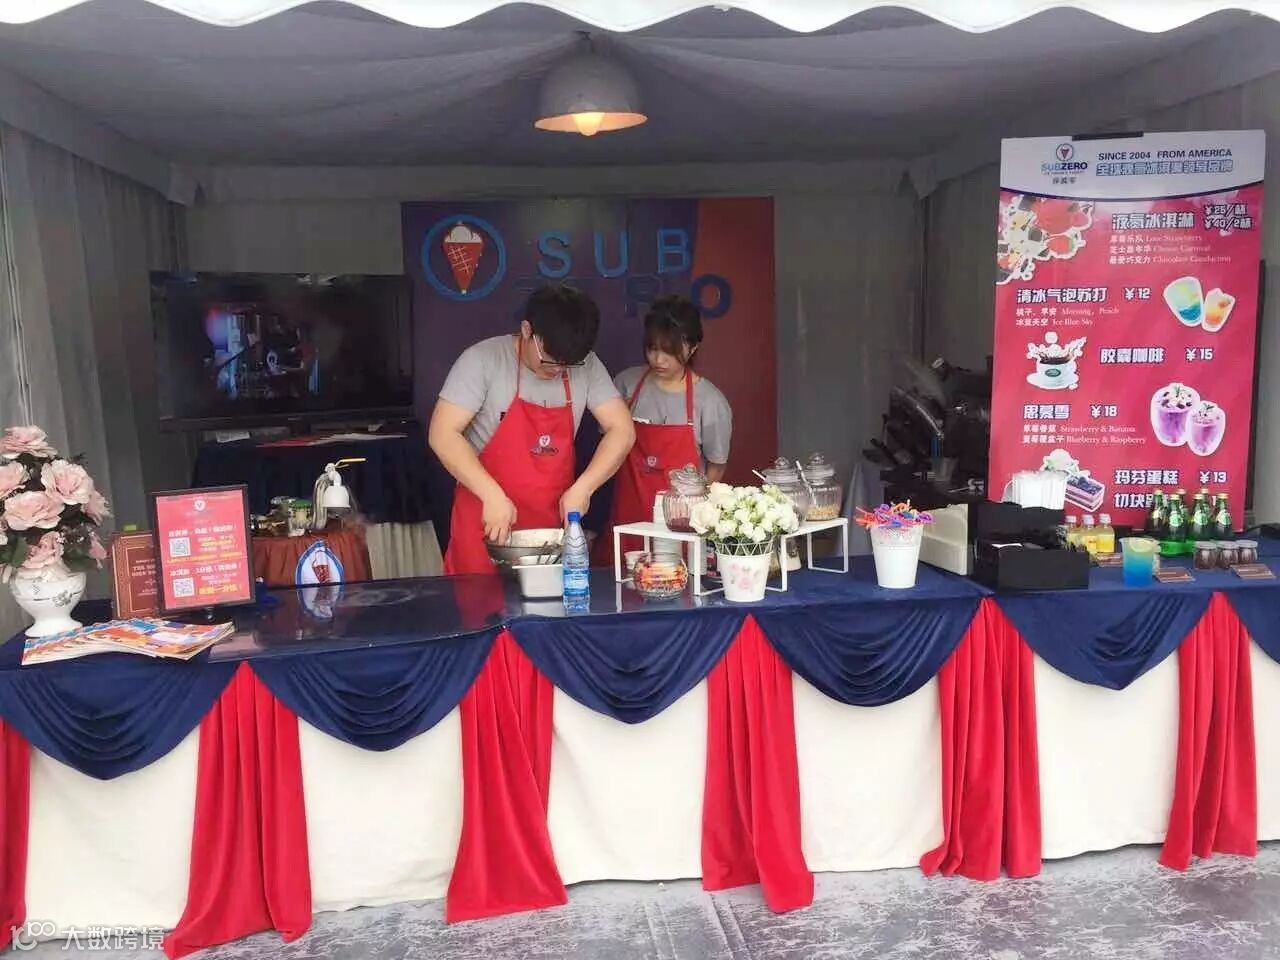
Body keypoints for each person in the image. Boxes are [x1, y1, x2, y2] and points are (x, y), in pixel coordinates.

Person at [429, 284, 635, 575]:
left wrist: (585, 488)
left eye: (568, 364)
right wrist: (490, 494)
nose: (558, 370)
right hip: (485, 524)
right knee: (477, 602)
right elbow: (442, 433)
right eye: (550, 359)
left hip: (548, 536)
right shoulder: (482, 361)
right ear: (527, 330)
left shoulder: (586, 366)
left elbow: (622, 430)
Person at [601, 295, 733, 563]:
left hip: (681, 527)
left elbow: (716, 469)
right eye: (652, 348)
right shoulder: (626, 385)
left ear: (693, 347)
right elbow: (607, 445)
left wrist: (696, 516)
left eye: (669, 351)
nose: (659, 359)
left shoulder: (710, 402)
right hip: (628, 519)